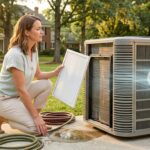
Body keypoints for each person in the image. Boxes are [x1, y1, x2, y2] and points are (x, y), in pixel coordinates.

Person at [0, 15, 63, 136]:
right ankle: (4, 117)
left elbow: (38, 75)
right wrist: (36, 118)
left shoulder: (33, 50)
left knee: (46, 84)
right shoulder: (15, 55)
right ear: (27, 32)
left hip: (18, 96)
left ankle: (27, 116)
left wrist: (55, 72)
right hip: (5, 99)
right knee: (36, 130)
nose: (42, 32)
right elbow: (22, 90)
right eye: (38, 29)